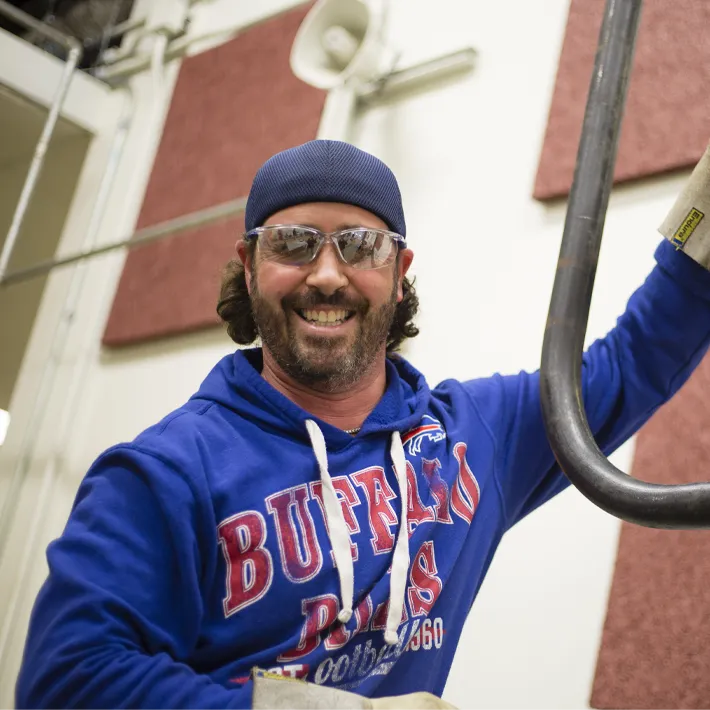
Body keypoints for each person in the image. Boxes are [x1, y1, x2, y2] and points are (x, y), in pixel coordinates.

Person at [15, 140, 710, 709]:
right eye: (293, 243)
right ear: (250, 266)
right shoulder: (160, 475)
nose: (326, 274)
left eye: (359, 245)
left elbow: (638, 358)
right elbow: (67, 682)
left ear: (400, 271)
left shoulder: (474, 437)